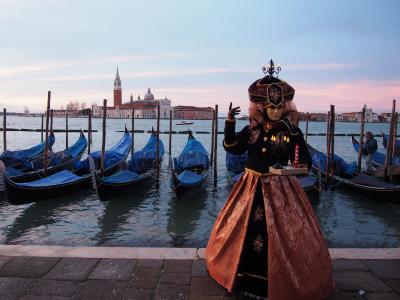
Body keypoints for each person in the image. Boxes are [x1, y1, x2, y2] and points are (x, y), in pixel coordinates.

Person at [205, 62, 334, 300]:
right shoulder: (252, 131)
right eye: (270, 107)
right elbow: (231, 147)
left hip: (282, 189)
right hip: (251, 186)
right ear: (262, 107)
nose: (275, 112)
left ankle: (282, 281)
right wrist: (229, 123)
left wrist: (298, 168)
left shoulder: (292, 132)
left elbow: (304, 160)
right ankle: (241, 277)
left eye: (278, 107)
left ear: (284, 107)